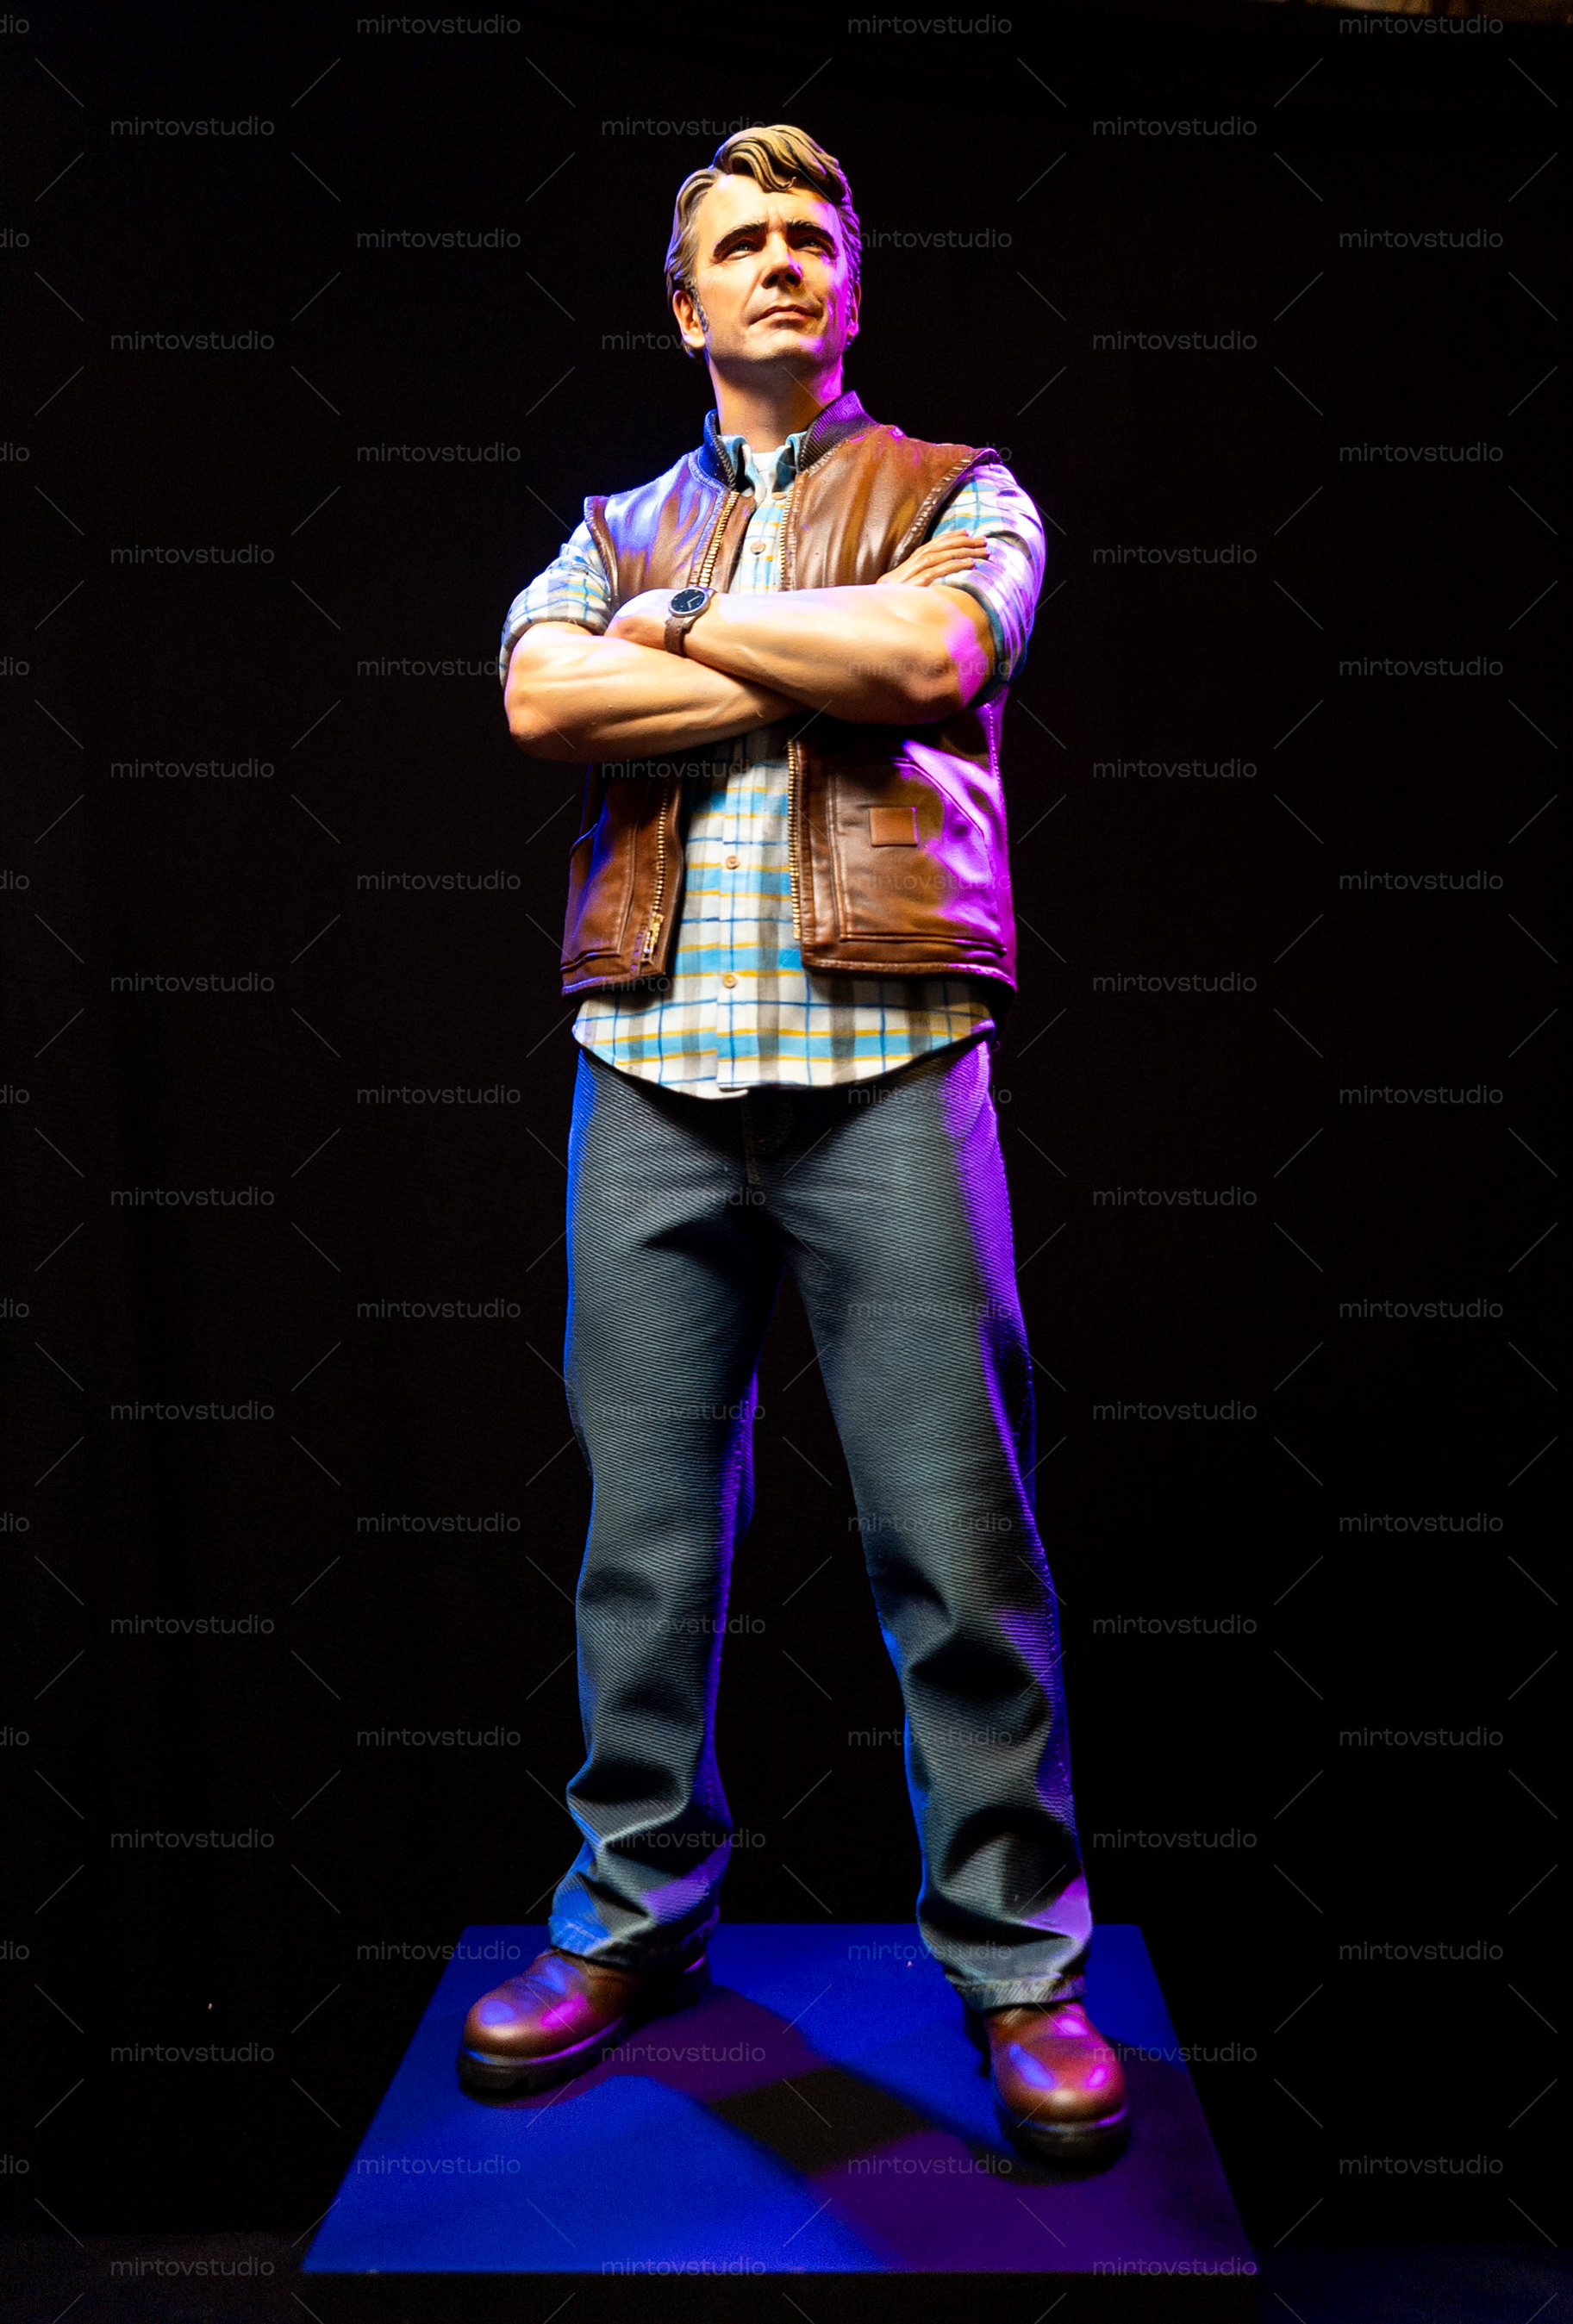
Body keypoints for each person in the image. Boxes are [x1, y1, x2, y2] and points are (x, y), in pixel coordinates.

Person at [457, 123, 1127, 2168]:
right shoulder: (610, 522)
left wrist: (678, 632)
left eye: (810, 239)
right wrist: (766, 644)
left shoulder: (957, 491)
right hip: (651, 1076)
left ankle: (1019, 1966)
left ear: (850, 286)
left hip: (888, 1072)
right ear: (686, 304)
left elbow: (935, 659)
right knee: (643, 1549)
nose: (778, 262)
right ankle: (629, 1918)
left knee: (958, 1544)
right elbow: (536, 703)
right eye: (740, 241)